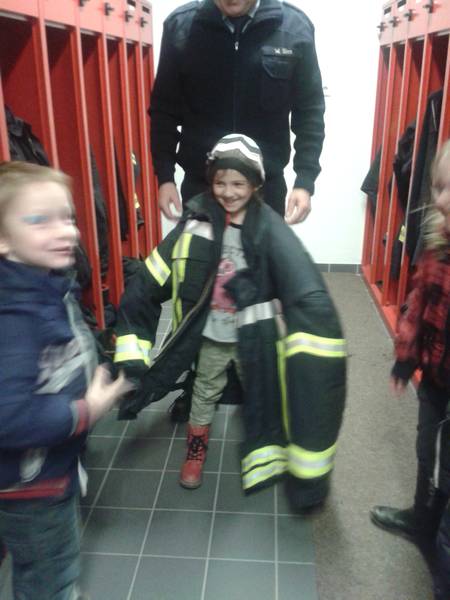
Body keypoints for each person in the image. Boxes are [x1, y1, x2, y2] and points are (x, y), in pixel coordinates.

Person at [114, 134, 346, 509]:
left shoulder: (269, 230)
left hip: (253, 338)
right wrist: (132, 356)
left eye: (238, 183)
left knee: (265, 394)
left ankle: (267, 455)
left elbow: (299, 288)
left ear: (255, 185)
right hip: (210, 337)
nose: (228, 191)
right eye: (220, 182)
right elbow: (150, 280)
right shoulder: (196, 223)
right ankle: (195, 451)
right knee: (203, 395)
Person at [0, 162, 133, 600]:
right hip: (31, 486)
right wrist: (86, 411)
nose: (66, 232)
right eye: (40, 220)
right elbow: (9, 417)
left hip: (48, 468)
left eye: (68, 217)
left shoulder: (46, 283)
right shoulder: (14, 316)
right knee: (50, 574)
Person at [150, 0, 325, 225]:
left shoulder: (294, 27)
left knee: (264, 250)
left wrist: (305, 181)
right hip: (202, 188)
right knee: (199, 250)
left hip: (265, 190)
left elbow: (309, 111)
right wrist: (165, 177)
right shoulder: (181, 26)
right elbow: (164, 110)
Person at [370, 140, 450, 600]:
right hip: (436, 378)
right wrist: (406, 357)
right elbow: (418, 306)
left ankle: (443, 547)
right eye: (438, 188)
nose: (440, 200)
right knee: (426, 446)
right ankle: (422, 519)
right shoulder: (437, 246)